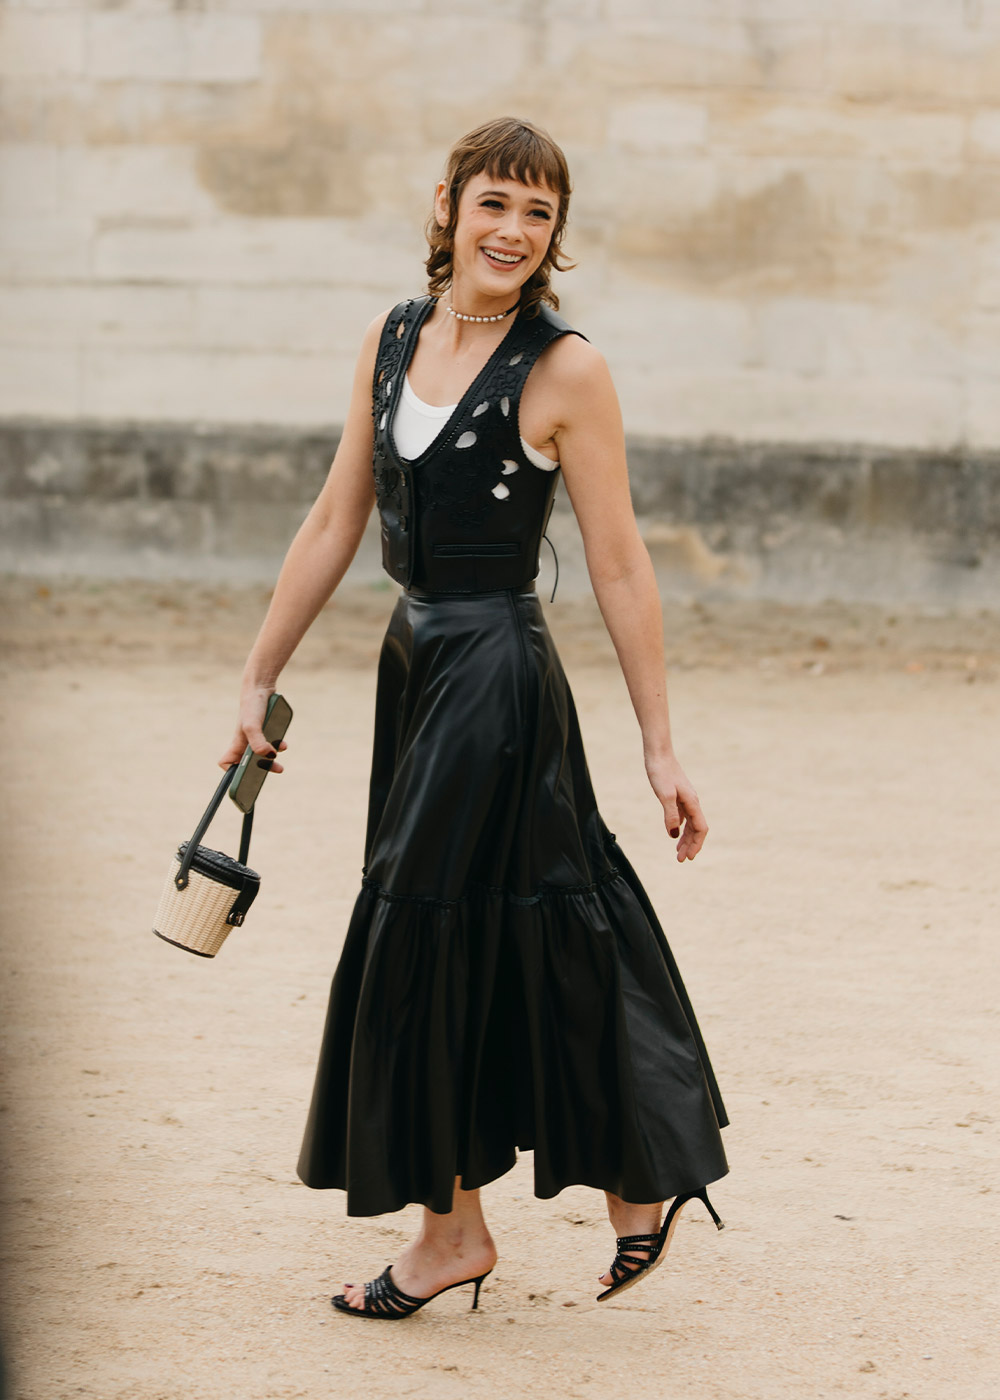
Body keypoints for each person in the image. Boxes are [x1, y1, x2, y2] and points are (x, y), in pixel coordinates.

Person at [219, 116, 729, 1320]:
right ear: (447, 203)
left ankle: (462, 1229)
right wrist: (256, 675)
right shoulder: (393, 335)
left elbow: (619, 562)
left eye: (538, 212)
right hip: (417, 660)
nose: (513, 230)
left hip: (498, 673)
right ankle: (617, 1182)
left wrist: (659, 744)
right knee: (515, 922)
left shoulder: (567, 369)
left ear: (555, 232)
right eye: (495, 201)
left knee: (430, 929)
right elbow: (336, 517)